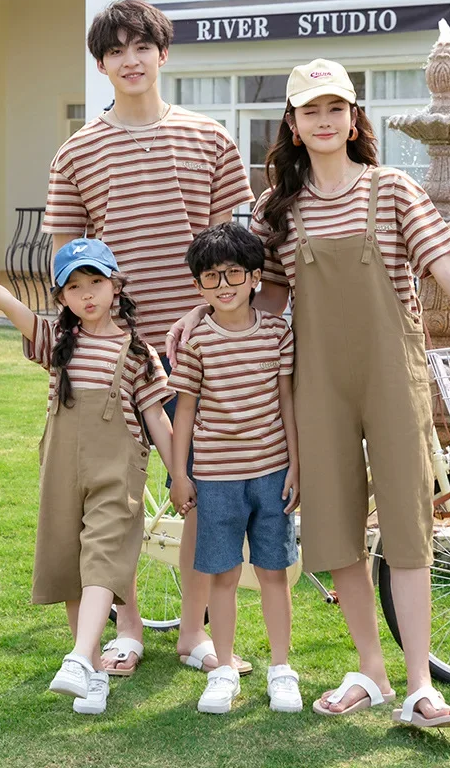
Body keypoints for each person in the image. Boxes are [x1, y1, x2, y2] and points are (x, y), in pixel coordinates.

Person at [169, 59, 450, 728]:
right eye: (311, 110)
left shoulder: (392, 190)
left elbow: (447, 269)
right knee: (338, 532)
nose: (324, 120)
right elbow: (264, 295)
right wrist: (200, 319)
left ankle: (419, 686)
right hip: (318, 388)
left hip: (392, 382)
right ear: (293, 122)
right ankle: (370, 670)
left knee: (407, 530)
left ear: (353, 118)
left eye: (336, 107)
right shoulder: (275, 209)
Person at [43, 0, 255, 678]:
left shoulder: (211, 138)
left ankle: (192, 633)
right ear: (101, 63)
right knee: (114, 492)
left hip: (200, 344)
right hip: (117, 353)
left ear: (163, 54)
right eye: (116, 50)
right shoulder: (77, 150)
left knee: (203, 487)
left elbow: (233, 248)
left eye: (143, 46)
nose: (130, 60)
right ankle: (127, 627)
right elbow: (64, 258)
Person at [0, 226, 187, 715]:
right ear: (61, 296)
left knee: (103, 556)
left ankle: (82, 656)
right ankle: (92, 673)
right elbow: (7, 303)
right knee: (69, 564)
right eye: (74, 287)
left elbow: (157, 421)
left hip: (117, 471)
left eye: (96, 282)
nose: (87, 295)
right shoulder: (55, 340)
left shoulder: (140, 354)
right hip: (62, 469)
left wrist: (181, 476)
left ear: (116, 286)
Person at [168, 223, 301, 715]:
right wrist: (181, 474)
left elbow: (287, 400)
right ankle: (222, 668)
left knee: (273, 572)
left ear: (254, 278)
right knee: (222, 576)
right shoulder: (196, 340)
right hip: (216, 477)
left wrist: (297, 465)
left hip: (271, 472)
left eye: (232, 275)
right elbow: (185, 409)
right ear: (197, 286)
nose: (222, 287)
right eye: (210, 278)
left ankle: (281, 670)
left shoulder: (277, 335)